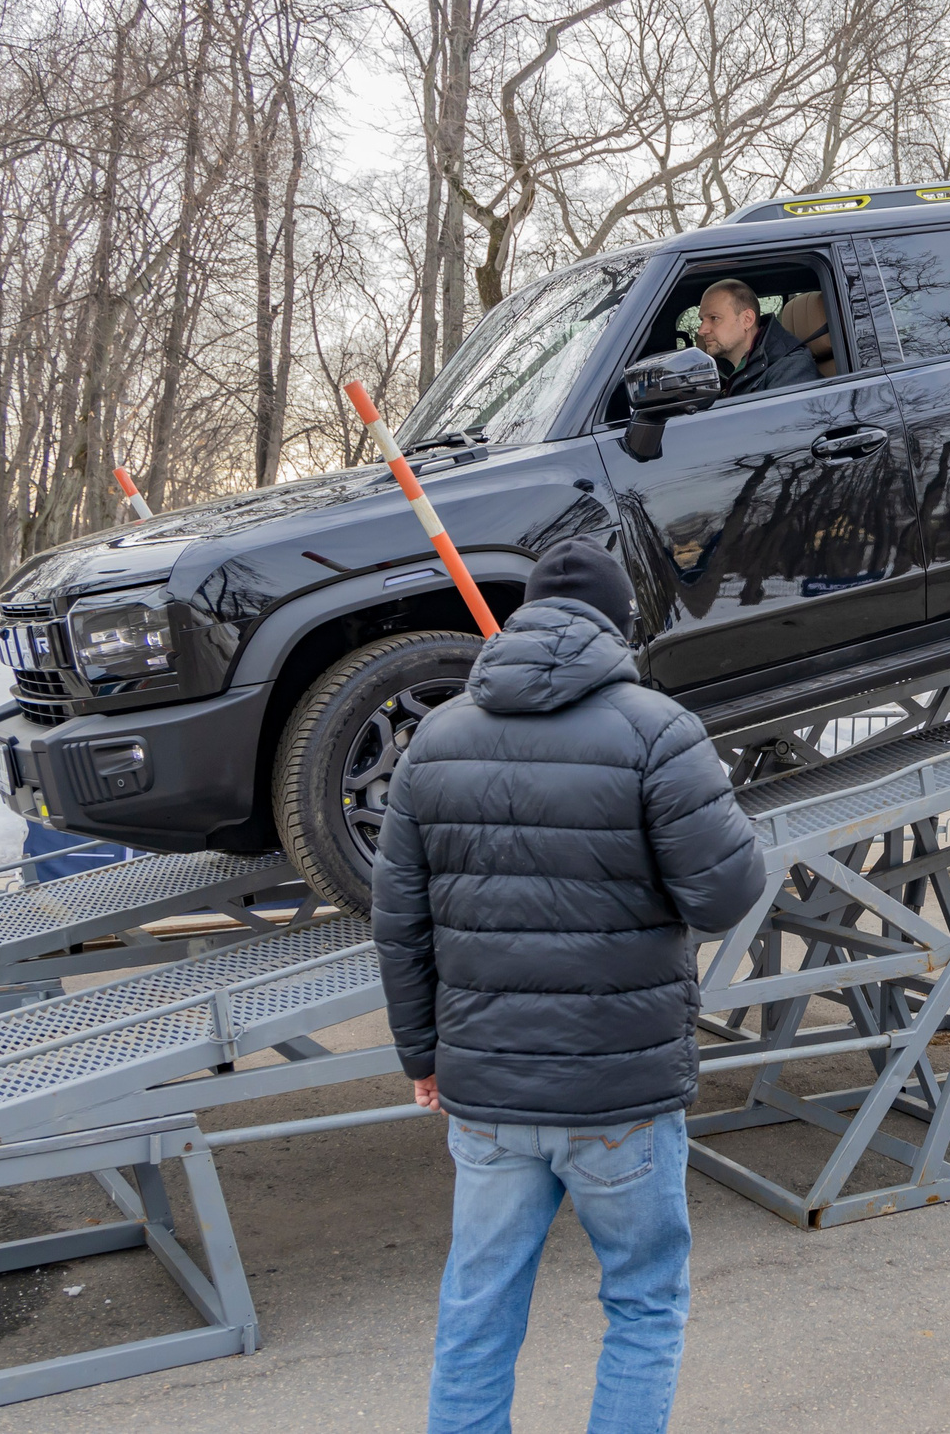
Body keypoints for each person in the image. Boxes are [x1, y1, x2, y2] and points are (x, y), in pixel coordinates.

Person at [374, 537, 767, 1434]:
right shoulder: (657, 730)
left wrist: (422, 1056)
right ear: (618, 622)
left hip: (488, 1095)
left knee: (476, 1312)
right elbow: (726, 893)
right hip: (620, 1094)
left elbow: (399, 922)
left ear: (521, 620)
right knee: (642, 1302)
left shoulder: (436, 738)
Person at [693, 278, 816, 397]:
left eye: (714, 318)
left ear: (747, 320)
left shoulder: (791, 368)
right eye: (702, 320)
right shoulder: (714, 371)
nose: (702, 330)